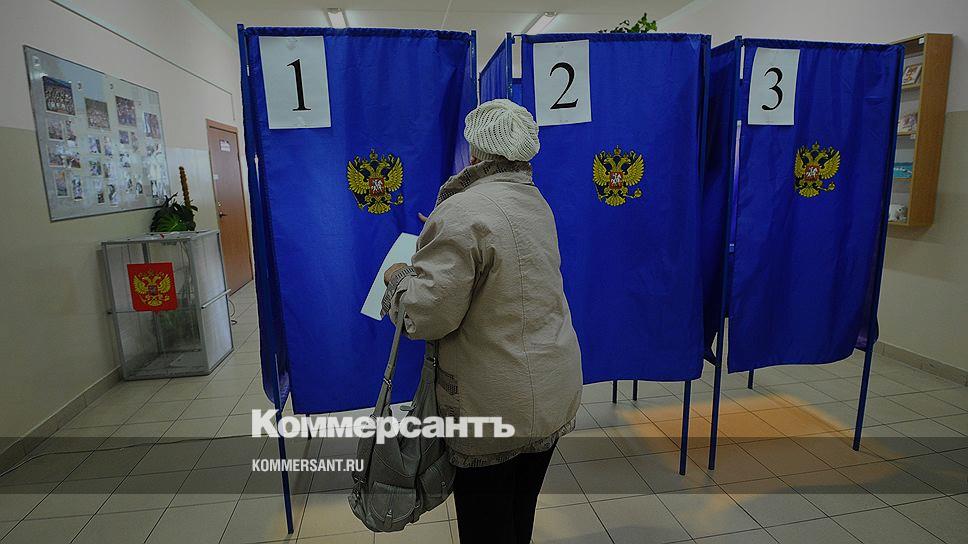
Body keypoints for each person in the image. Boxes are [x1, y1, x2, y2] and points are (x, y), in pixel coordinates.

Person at [382, 99, 582, 544]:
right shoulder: (536, 202)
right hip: (552, 389)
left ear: (474, 151)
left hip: (493, 405)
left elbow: (423, 316)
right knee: (518, 516)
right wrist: (445, 233)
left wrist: (398, 278)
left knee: (485, 529)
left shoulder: (462, 211)